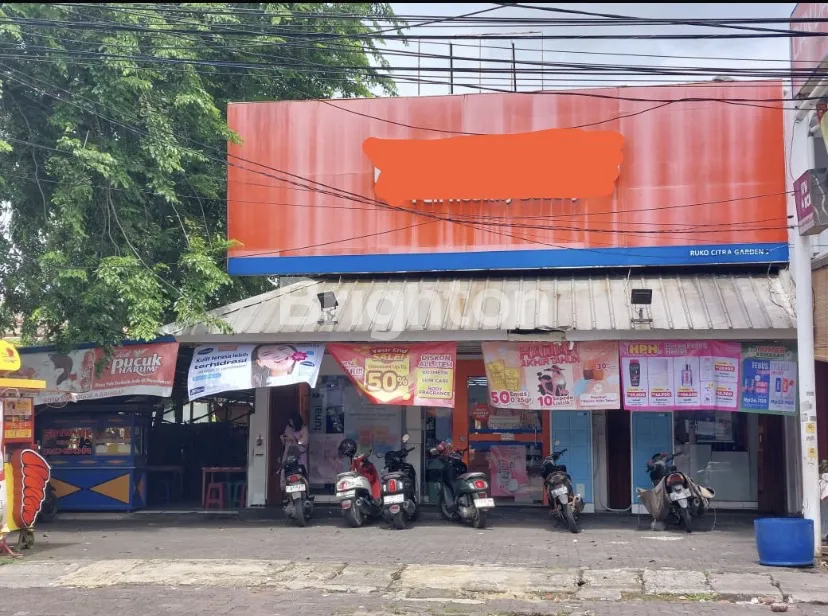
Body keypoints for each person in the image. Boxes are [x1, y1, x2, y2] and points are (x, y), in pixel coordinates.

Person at [280, 410, 309, 489]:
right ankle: (285, 489)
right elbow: (285, 438)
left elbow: (304, 442)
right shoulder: (288, 428)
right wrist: (283, 438)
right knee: (285, 470)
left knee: (300, 471)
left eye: (291, 421)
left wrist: (294, 439)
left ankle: (303, 488)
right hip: (289, 453)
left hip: (300, 454)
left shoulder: (304, 428)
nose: (290, 422)